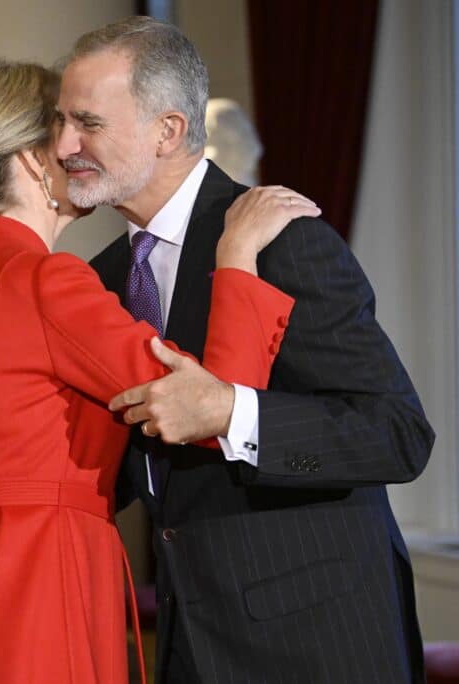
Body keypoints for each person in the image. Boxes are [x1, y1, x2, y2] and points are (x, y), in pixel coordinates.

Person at [0, 57, 313, 684]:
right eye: (64, 128)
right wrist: (235, 258)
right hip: (36, 590)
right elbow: (206, 405)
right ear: (28, 155)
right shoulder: (46, 280)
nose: (78, 148)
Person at [55, 17, 435, 684]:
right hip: (189, 640)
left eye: (86, 123)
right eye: (61, 122)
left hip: (316, 645)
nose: (63, 146)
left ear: (168, 131)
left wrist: (233, 412)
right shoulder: (104, 278)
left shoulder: (286, 240)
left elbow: (397, 434)